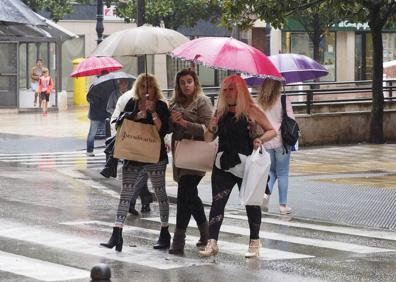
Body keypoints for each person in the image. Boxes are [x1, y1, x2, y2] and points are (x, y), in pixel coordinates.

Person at [200, 75, 276, 258]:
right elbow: (208, 140)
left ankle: (254, 243)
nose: (227, 93)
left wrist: (259, 137)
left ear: (240, 90)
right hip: (223, 164)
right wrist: (210, 128)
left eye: (231, 89)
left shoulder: (251, 110)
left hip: (245, 165)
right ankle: (212, 243)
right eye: (224, 89)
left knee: (251, 203)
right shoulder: (219, 111)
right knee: (218, 203)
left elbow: (272, 131)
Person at [100, 73, 171, 252]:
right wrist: (136, 115)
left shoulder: (162, 105)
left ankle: (164, 232)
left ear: (155, 89)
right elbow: (119, 123)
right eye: (142, 86)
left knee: (160, 193)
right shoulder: (131, 103)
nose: (146, 90)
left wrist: (153, 113)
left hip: (155, 156)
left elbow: (165, 130)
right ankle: (117, 233)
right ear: (138, 89)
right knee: (125, 193)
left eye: (150, 86)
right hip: (133, 155)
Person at [168, 69, 213, 255]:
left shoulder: (202, 101)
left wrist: (184, 123)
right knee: (189, 195)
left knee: (184, 193)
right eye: (182, 82)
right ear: (178, 85)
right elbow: (167, 129)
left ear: (195, 83)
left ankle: (178, 240)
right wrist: (171, 121)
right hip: (181, 154)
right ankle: (206, 233)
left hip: (196, 153)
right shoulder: (174, 104)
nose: (186, 85)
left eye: (189, 81)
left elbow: (209, 129)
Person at [106, 78, 153, 214]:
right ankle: (138, 200)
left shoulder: (153, 101)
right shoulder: (128, 99)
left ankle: (142, 200)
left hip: (137, 143)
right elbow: (117, 120)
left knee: (140, 172)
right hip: (134, 142)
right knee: (140, 172)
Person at [257, 78, 296, 215]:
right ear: (278, 84)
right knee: (283, 173)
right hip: (282, 142)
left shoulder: (260, 102)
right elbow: (291, 120)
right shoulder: (283, 99)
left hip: (267, 141)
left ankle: (264, 197)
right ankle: (283, 205)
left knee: (271, 172)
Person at [86, 73, 111, 157]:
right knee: (94, 133)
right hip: (97, 113)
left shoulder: (99, 85)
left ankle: (90, 151)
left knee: (107, 133)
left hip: (101, 113)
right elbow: (89, 98)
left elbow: (89, 98)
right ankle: (90, 150)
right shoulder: (95, 86)